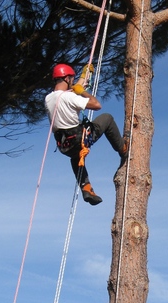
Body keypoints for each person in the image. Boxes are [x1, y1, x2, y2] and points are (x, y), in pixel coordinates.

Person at [45, 63, 128, 205]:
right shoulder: (69, 98)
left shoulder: (48, 99)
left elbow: (71, 91)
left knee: (75, 157)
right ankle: (123, 149)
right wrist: (82, 92)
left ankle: (86, 187)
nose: (73, 81)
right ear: (66, 78)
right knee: (107, 118)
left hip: (64, 145)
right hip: (79, 138)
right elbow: (96, 105)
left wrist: (84, 76)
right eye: (72, 78)